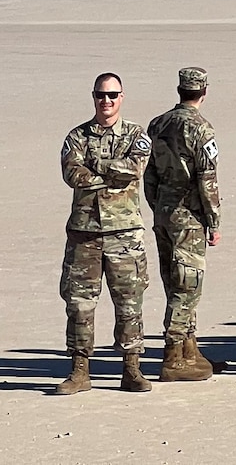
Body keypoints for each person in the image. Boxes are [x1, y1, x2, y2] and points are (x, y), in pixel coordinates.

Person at [55, 73, 153, 395]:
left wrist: (97, 166)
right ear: (93, 97)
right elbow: (73, 173)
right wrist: (109, 173)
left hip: (124, 233)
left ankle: (131, 368)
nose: (106, 101)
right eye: (100, 95)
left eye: (112, 95)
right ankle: (80, 370)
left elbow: (134, 169)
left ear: (122, 97)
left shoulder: (137, 135)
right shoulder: (76, 135)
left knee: (129, 302)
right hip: (85, 233)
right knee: (80, 303)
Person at [144, 66, 222, 382]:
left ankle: (190, 348)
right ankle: (174, 355)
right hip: (188, 215)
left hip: (163, 212)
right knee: (187, 286)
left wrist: (157, 205)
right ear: (204, 91)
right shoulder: (202, 130)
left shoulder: (158, 124)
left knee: (174, 280)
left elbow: (148, 175)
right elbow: (207, 180)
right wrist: (214, 220)